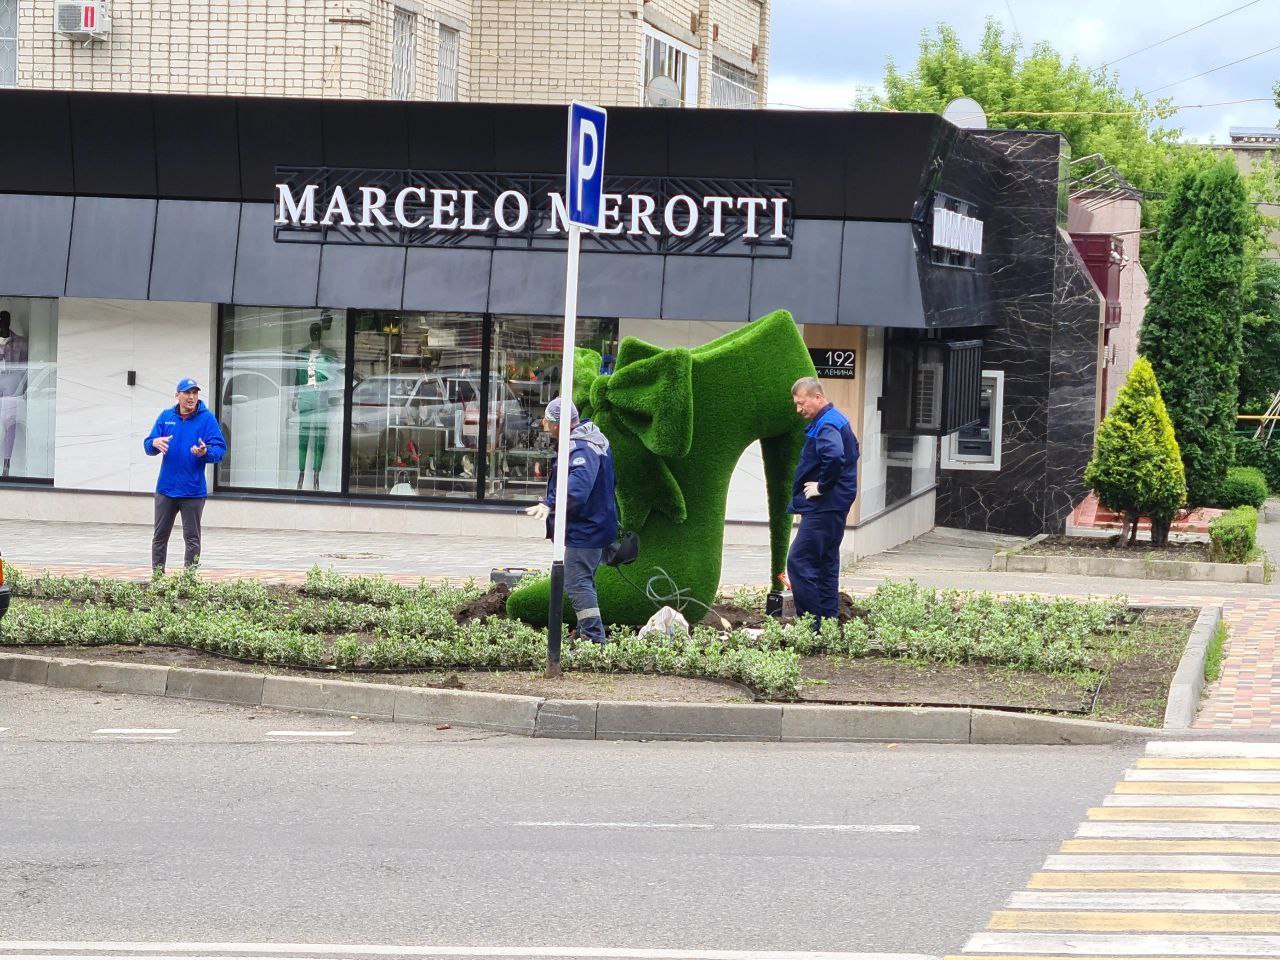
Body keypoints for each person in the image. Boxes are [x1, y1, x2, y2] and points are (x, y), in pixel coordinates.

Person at [524, 398, 618, 644]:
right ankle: (584, 631)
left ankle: (594, 638)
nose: (545, 426)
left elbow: (576, 490)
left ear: (558, 424)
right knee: (583, 580)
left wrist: (550, 503)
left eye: (547, 422)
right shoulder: (593, 440)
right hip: (596, 524)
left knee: (577, 582)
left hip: (587, 530)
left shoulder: (582, 448)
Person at [786, 376, 859, 625]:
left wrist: (822, 487)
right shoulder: (837, 419)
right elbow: (850, 453)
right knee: (826, 561)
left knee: (799, 561)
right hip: (835, 505)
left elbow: (835, 456)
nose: (799, 409)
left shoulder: (826, 424)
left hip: (824, 506)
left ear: (818, 397)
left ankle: (811, 625)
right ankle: (828, 622)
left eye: (801, 403)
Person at [143, 378, 227, 573]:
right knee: (159, 537)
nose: (191, 397)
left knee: (192, 539)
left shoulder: (207, 419)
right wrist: (154, 443)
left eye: (195, 393)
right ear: (177, 395)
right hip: (166, 490)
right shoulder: (166, 416)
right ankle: (157, 578)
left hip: (193, 491)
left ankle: (189, 580)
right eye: (187, 393)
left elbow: (220, 450)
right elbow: (148, 445)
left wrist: (205, 452)